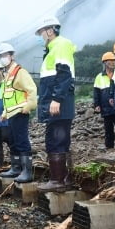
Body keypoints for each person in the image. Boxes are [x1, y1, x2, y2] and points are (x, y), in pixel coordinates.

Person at [34, 16, 76, 192]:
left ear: (50, 31)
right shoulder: (52, 49)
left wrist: (56, 99)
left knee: (55, 140)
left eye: (42, 32)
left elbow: (64, 74)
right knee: (59, 139)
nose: (42, 36)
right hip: (56, 102)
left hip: (58, 103)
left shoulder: (60, 45)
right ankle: (64, 179)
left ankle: (57, 180)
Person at [0, 42, 37, 183]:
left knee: (21, 141)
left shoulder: (20, 72)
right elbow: (9, 97)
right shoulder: (8, 75)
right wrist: (4, 113)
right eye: (0, 56)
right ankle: (16, 168)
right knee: (13, 141)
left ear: (12, 56)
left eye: (5, 55)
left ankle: (27, 171)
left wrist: (29, 106)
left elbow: (32, 90)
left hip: (20, 112)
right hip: (11, 114)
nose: (3, 58)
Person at [93, 52, 115, 149]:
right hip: (105, 107)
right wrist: (96, 104)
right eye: (110, 61)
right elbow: (96, 92)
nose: (112, 63)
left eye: (114, 61)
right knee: (108, 129)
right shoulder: (99, 77)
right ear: (105, 62)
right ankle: (109, 147)